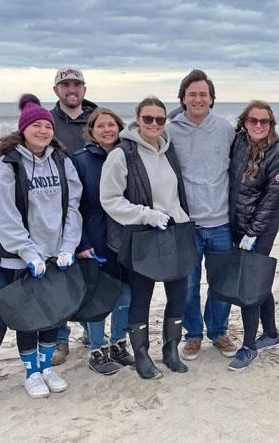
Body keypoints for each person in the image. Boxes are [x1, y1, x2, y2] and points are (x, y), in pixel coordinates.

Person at [0, 94, 83, 398]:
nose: (43, 131)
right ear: (23, 129)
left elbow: (73, 205)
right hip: (22, 259)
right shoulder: (7, 164)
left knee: (54, 313)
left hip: (56, 256)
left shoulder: (61, 159)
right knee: (30, 318)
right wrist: (28, 252)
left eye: (47, 125)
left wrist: (68, 246)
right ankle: (31, 373)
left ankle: (46, 368)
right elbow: (3, 215)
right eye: (36, 125)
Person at [100, 96, 191, 380]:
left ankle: (171, 348)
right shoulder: (122, 154)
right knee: (141, 297)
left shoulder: (168, 150)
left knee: (179, 294)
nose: (154, 124)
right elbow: (110, 199)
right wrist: (146, 215)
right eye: (148, 118)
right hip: (142, 234)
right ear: (137, 119)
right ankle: (141, 353)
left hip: (177, 231)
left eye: (160, 119)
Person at [165, 70, 238, 361]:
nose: (198, 99)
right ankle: (193, 335)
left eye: (203, 94)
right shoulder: (170, 130)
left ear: (212, 99)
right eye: (192, 94)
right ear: (183, 98)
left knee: (221, 283)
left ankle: (218, 331)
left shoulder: (226, 128)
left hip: (221, 222)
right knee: (189, 285)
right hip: (186, 223)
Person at [226, 100, 279, 370]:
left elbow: (271, 199)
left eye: (265, 122)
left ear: (271, 124)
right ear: (244, 122)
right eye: (253, 120)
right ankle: (272, 334)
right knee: (260, 281)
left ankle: (249, 345)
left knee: (249, 285)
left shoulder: (278, 154)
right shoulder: (237, 142)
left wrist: (252, 233)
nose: (259, 126)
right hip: (235, 224)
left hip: (260, 229)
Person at [73, 108, 136, 375]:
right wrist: (82, 241)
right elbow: (73, 205)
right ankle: (97, 349)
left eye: (112, 125)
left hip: (128, 234)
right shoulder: (81, 160)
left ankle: (120, 343)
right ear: (92, 130)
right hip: (96, 233)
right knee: (99, 294)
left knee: (126, 291)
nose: (107, 130)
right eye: (101, 126)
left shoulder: (130, 156)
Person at [50, 67, 98, 364]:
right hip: (55, 207)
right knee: (60, 276)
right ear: (56, 90)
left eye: (76, 85)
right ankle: (59, 340)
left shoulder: (96, 118)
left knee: (92, 273)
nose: (72, 90)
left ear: (84, 88)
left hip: (92, 207)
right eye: (65, 85)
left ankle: (92, 332)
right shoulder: (47, 121)